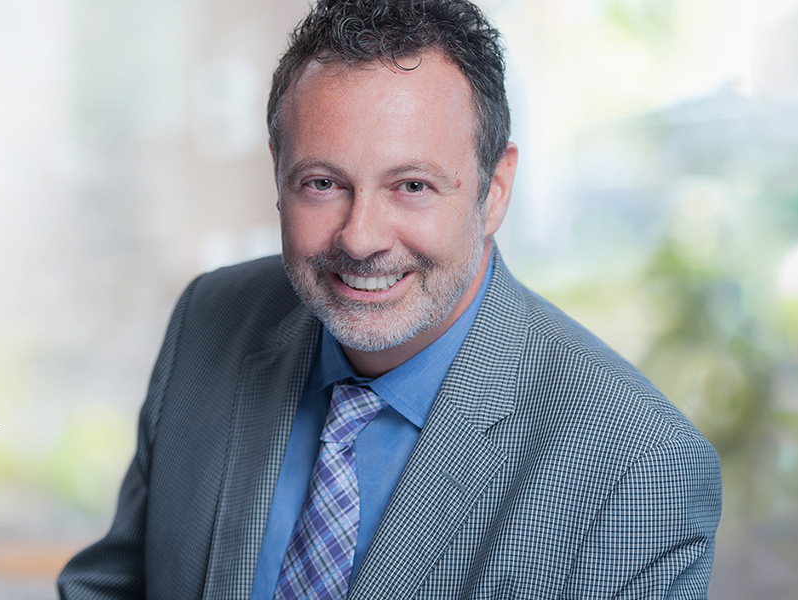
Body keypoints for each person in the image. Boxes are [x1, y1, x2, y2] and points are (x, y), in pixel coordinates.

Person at [58, 0, 723, 598]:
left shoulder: (639, 469)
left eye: (411, 186)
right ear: (278, 174)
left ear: (493, 191)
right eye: (323, 183)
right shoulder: (211, 319)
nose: (362, 237)